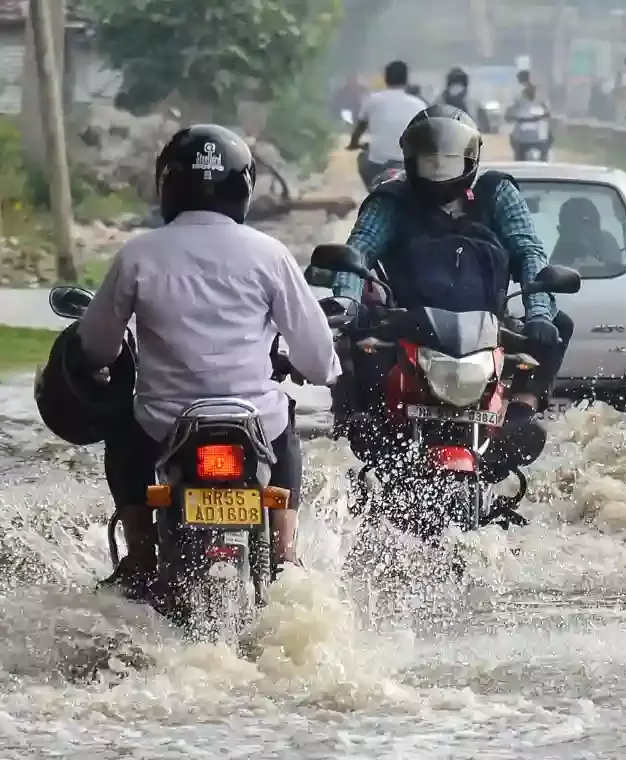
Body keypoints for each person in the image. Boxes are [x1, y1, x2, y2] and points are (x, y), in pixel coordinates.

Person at [67, 124, 340, 596]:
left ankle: (139, 555)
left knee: (123, 431)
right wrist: (324, 371)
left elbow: (96, 344)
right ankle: (285, 551)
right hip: (253, 422)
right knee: (285, 422)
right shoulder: (270, 255)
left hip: (163, 424)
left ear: (167, 184)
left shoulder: (138, 254)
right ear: (245, 187)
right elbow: (317, 359)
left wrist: (102, 362)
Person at [328, 106, 571, 468]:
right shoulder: (391, 200)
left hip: (487, 328)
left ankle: (521, 410)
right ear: (412, 159)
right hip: (407, 324)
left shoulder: (497, 194)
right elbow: (358, 250)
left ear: (470, 160)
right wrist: (344, 300)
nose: (439, 171)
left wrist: (538, 312)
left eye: (449, 162)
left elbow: (529, 251)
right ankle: (369, 423)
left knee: (558, 325)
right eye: (430, 161)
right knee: (356, 335)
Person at [348, 60, 428, 189]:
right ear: (406, 79)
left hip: (378, 163)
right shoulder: (419, 104)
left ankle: (373, 190)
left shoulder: (372, 100)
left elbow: (359, 129)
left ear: (385, 78)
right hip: (407, 163)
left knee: (362, 158)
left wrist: (353, 144)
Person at [505, 81, 553, 159]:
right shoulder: (518, 103)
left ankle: (545, 157)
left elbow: (549, 114)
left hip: (540, 139)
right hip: (522, 139)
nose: (532, 93)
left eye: (533, 91)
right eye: (530, 91)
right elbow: (508, 116)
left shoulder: (542, 103)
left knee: (549, 138)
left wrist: (543, 117)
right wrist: (515, 118)